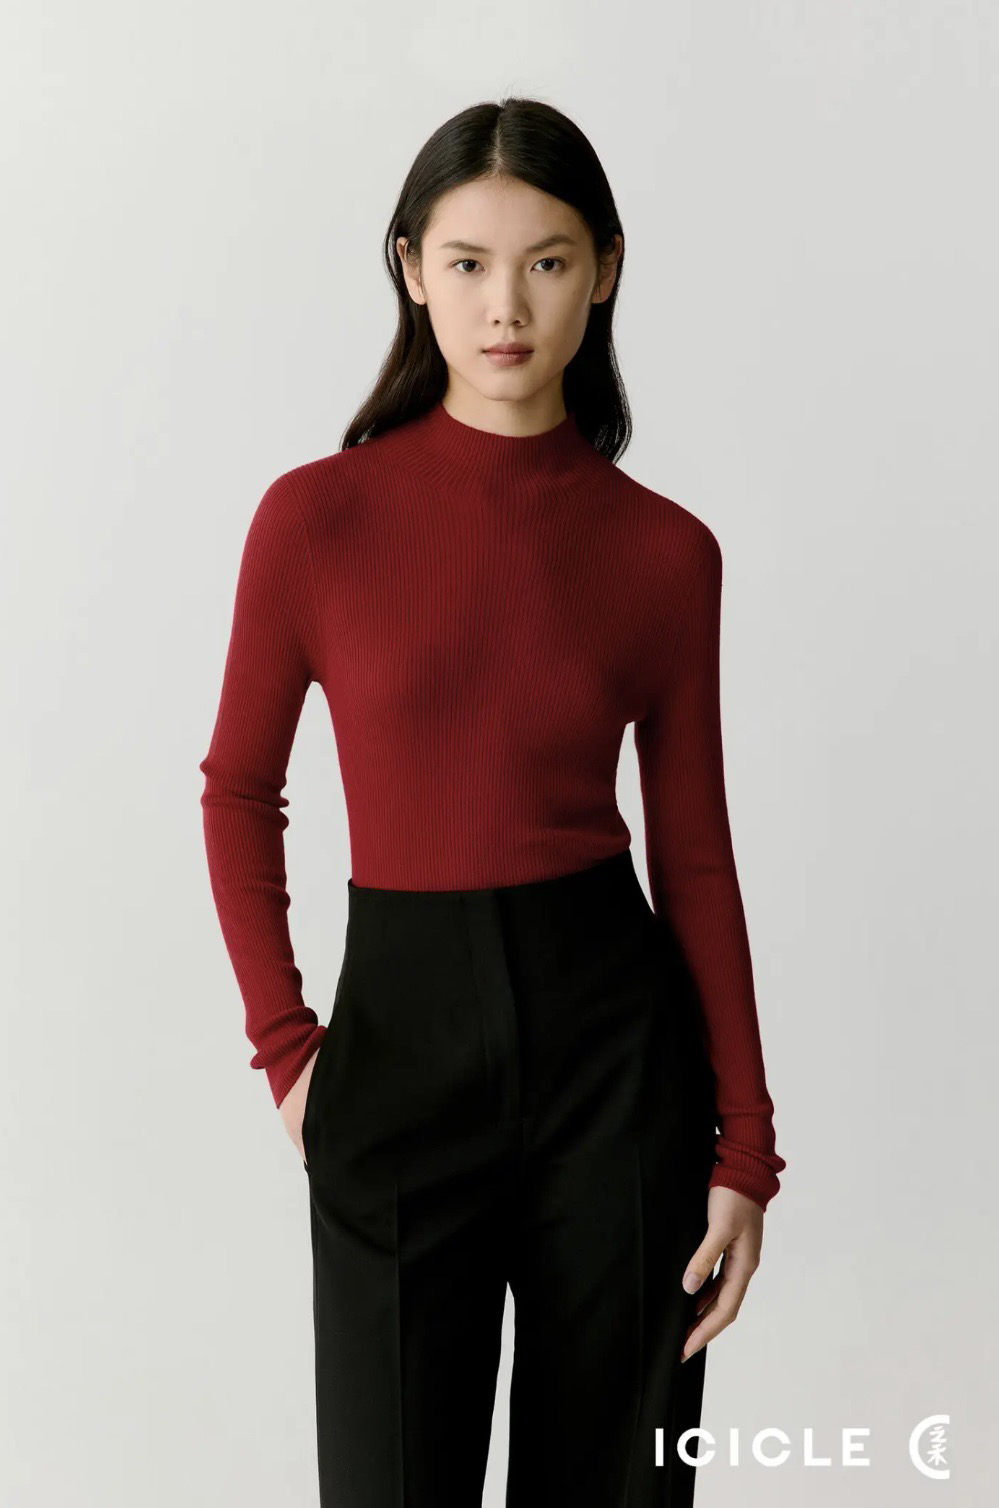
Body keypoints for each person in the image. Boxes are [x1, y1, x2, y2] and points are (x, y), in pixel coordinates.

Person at [198, 96, 785, 1508]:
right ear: (411, 269)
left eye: (547, 261)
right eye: (467, 263)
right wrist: (290, 1054)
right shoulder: (314, 521)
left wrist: (745, 1149)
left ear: (606, 269)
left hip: (616, 1064)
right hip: (395, 1061)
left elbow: (697, 858)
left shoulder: (666, 554)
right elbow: (239, 792)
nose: (505, 305)